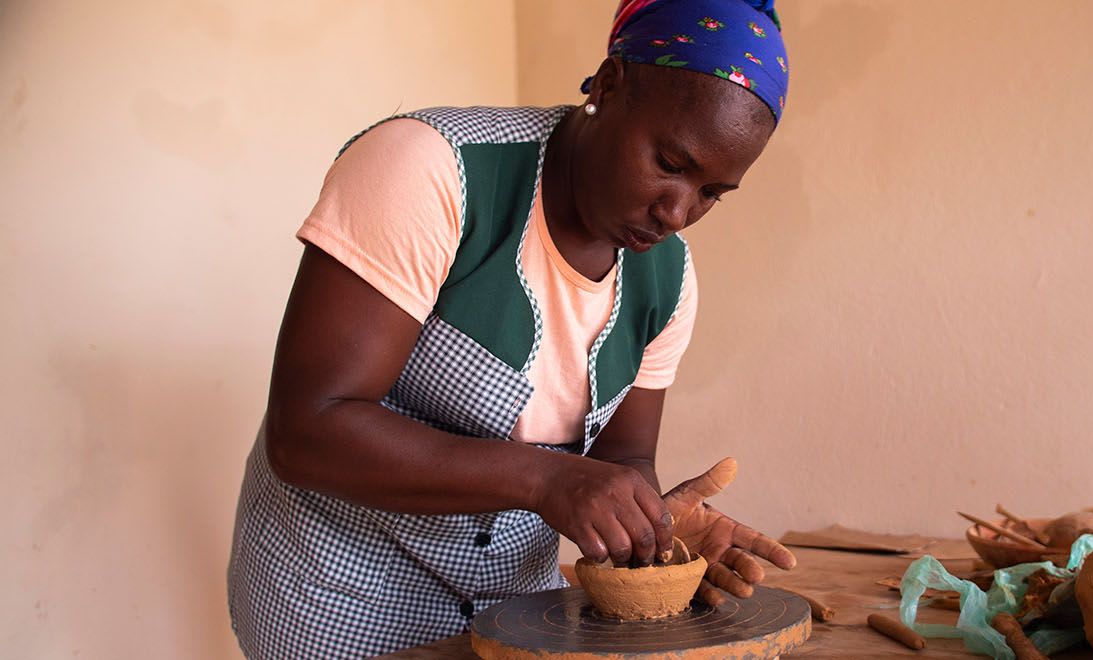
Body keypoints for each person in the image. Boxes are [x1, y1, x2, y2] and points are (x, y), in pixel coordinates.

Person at [227, 0, 794, 657]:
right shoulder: (431, 170)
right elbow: (307, 432)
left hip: (514, 620)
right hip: (340, 603)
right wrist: (545, 479)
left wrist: (654, 533)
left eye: (712, 193)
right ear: (607, 85)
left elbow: (620, 461)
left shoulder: (667, 280)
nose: (677, 210)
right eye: (669, 162)